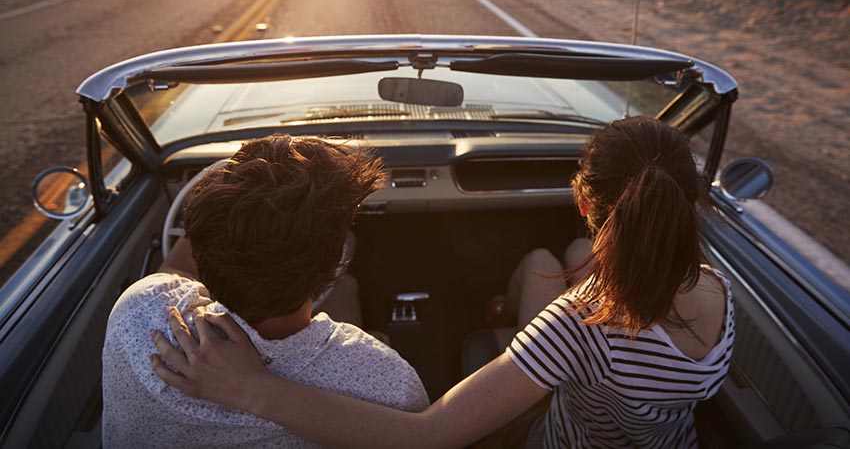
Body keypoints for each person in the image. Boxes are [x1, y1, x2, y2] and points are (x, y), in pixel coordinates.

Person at [151, 117, 734, 449]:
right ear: (691, 204)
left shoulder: (578, 325)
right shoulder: (717, 291)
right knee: (556, 259)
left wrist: (253, 389)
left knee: (538, 265)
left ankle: (500, 314)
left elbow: (429, 438)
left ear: (582, 201)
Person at [102, 135, 429, 449]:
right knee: (348, 290)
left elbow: (175, 271)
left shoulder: (138, 311)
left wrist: (228, 207)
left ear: (201, 244)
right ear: (334, 266)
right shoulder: (386, 384)